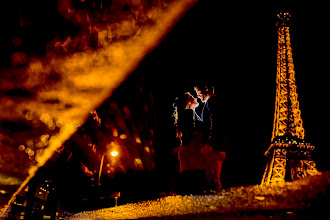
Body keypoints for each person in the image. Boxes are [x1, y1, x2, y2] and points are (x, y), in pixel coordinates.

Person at [194, 82, 227, 193]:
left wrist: (210, 143)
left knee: (213, 182)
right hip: (217, 147)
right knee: (212, 181)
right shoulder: (212, 102)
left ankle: (218, 208)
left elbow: (216, 123)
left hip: (214, 148)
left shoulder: (211, 101)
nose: (198, 95)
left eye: (198, 92)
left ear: (206, 89)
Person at [173, 92, 206, 195]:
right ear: (187, 102)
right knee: (195, 189)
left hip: (190, 155)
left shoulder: (187, 114)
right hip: (193, 155)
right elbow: (191, 132)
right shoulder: (188, 113)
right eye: (190, 96)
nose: (194, 97)